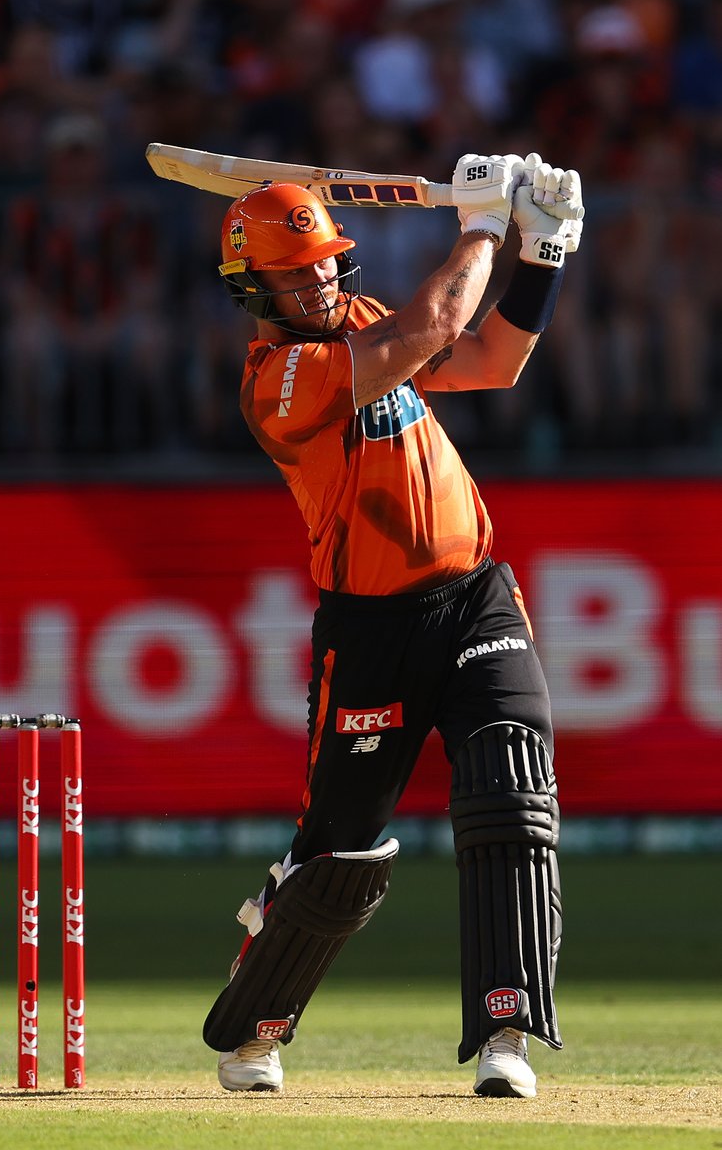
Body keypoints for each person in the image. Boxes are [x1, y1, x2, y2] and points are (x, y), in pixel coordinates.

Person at [202, 152, 584, 1098]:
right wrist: (483, 224)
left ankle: (508, 1033)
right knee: (343, 855)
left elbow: (492, 360)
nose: (323, 277)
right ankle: (253, 1030)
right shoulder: (280, 383)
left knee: (511, 789)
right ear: (254, 288)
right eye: (298, 272)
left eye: (329, 259)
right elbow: (441, 321)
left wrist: (542, 249)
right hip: (370, 627)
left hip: (476, 595)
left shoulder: (365, 322)